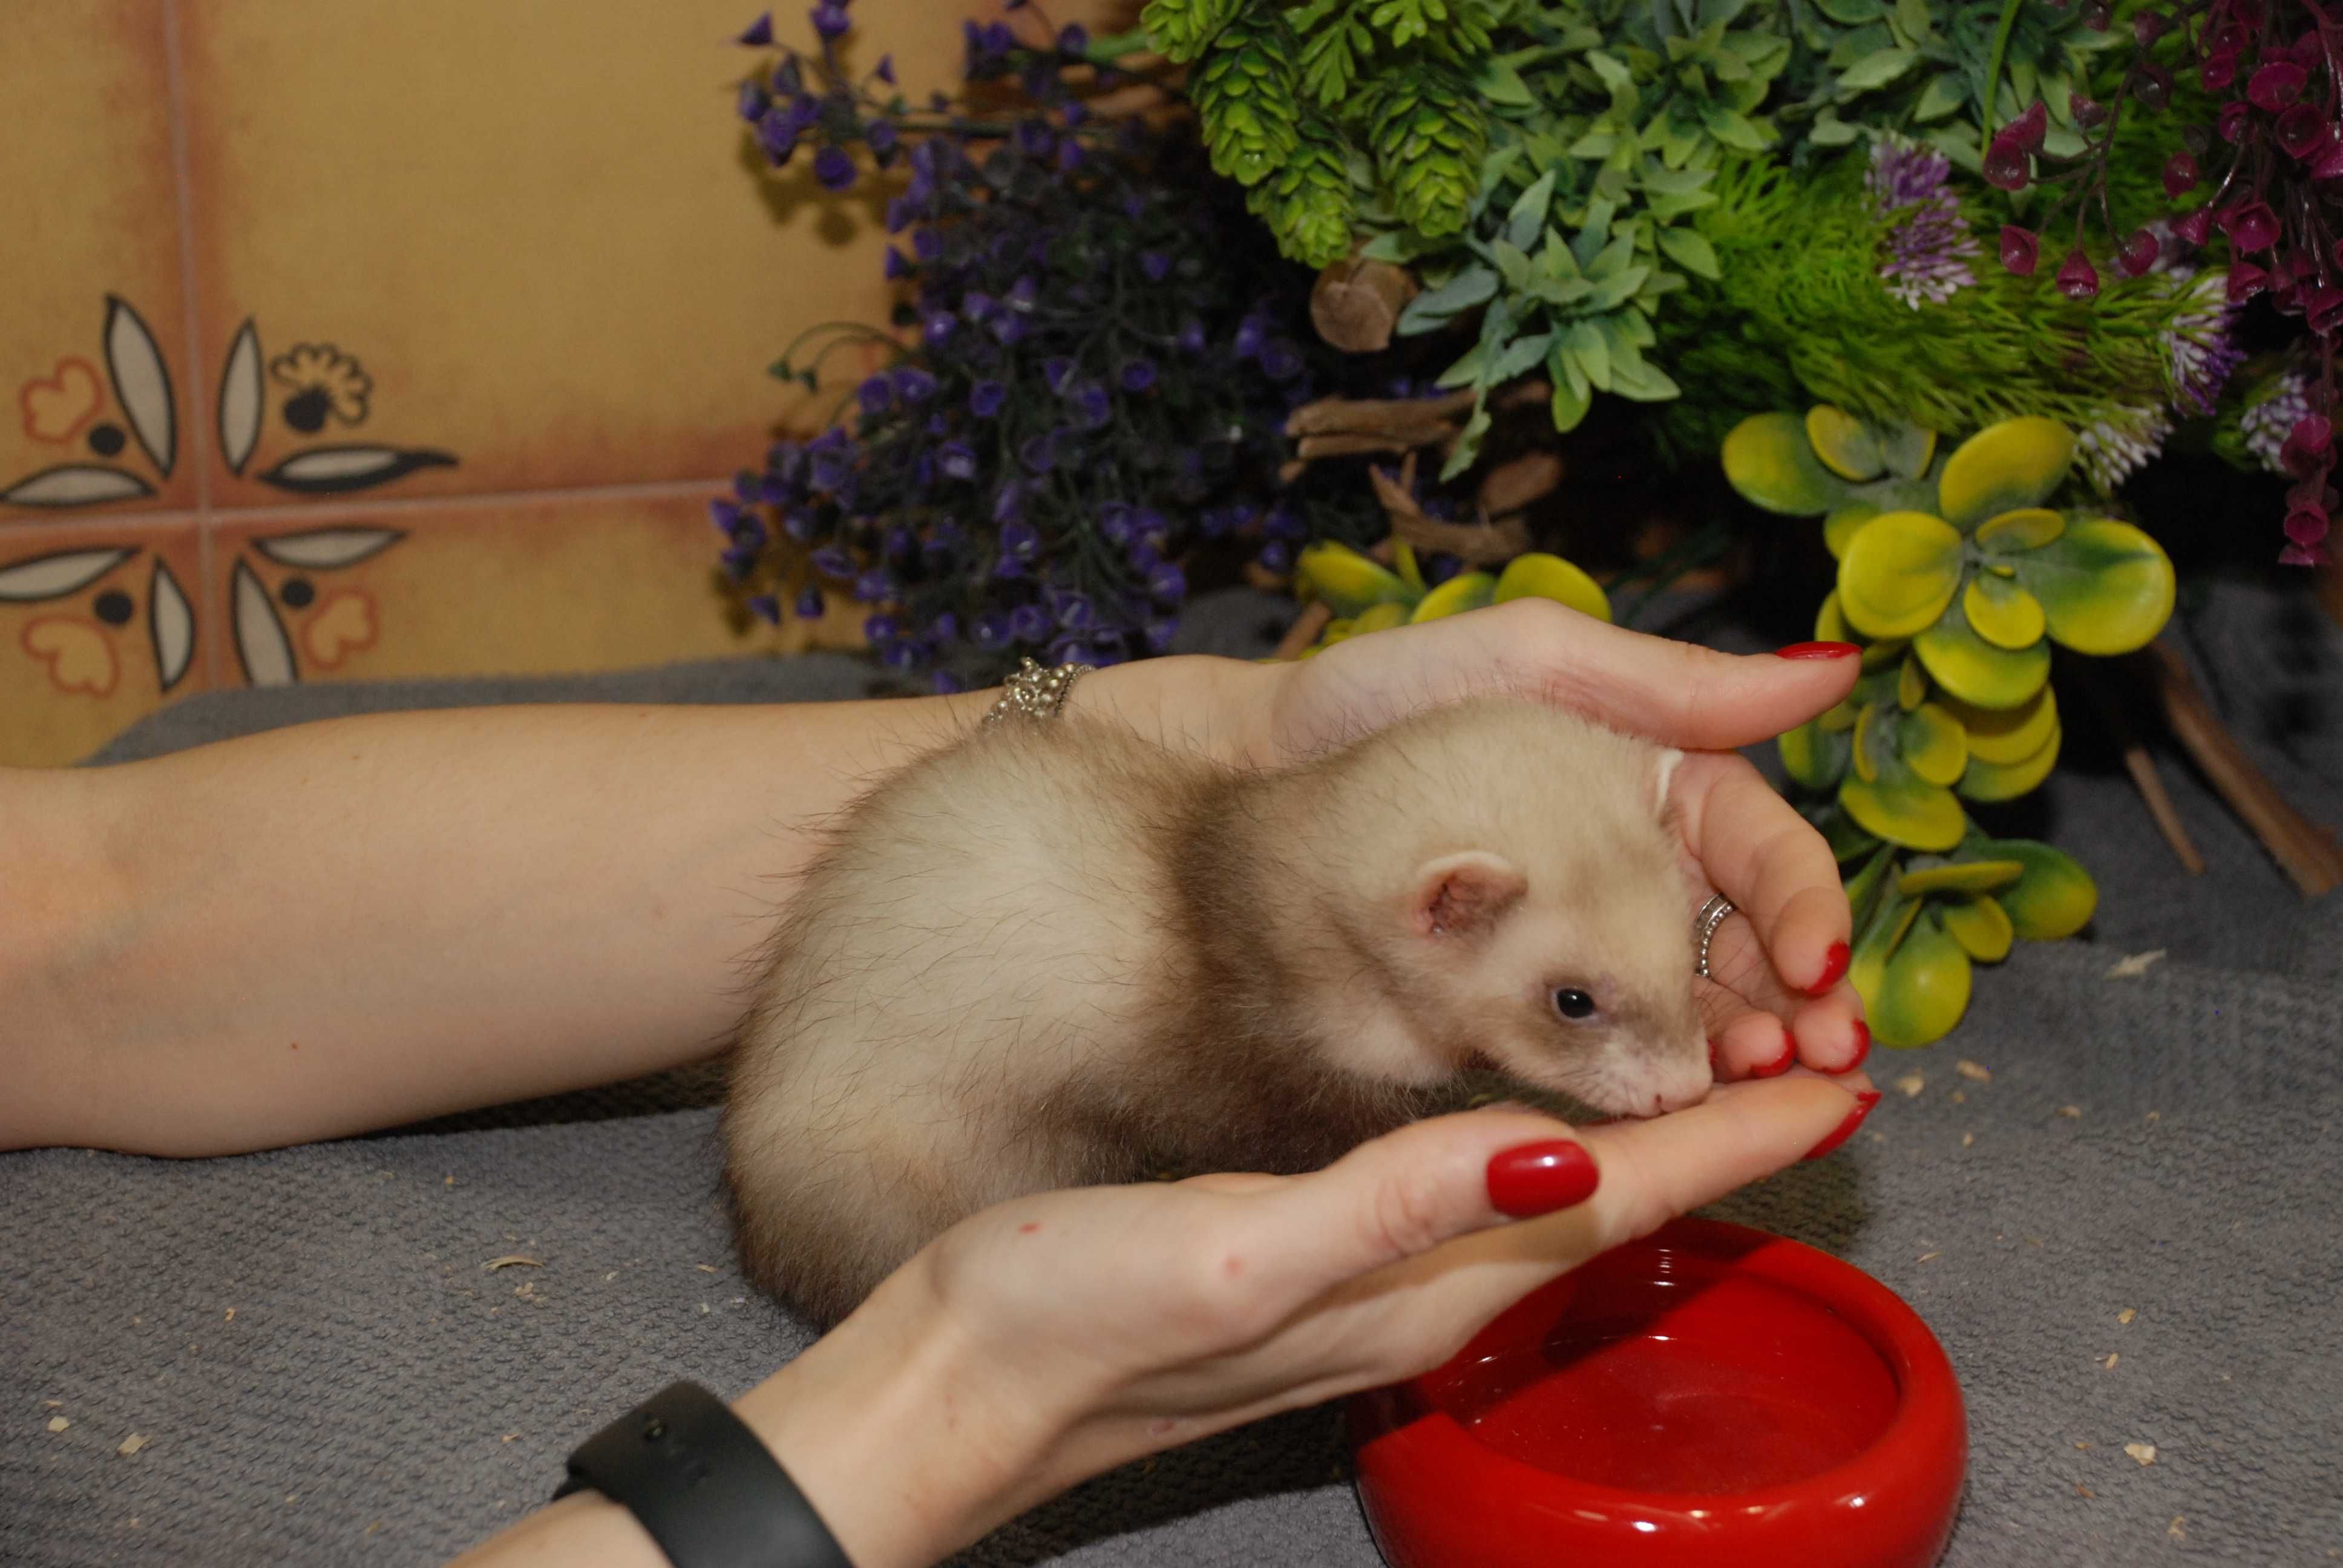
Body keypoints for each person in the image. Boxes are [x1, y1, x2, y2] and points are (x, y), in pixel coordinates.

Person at [1, 599, 1876, 1567]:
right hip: (872, 1177)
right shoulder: (1273, 1016)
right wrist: (936, 1407)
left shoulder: (1314, 905)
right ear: (1436, 904)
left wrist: (1215, 709)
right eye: (1580, 1011)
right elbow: (1218, 1093)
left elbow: (93, 922)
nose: (1639, 1080)